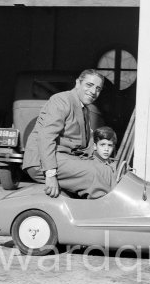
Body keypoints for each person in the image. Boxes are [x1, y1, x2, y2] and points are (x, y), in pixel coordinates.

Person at [22, 69, 114, 199]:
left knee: (107, 169)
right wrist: (50, 174)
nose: (93, 92)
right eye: (89, 85)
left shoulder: (84, 110)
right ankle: (100, 214)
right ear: (78, 83)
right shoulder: (61, 100)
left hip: (65, 158)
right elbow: (46, 137)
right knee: (96, 174)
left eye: (98, 89)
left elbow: (85, 146)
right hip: (44, 161)